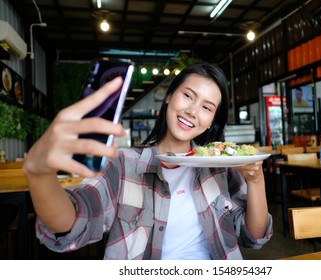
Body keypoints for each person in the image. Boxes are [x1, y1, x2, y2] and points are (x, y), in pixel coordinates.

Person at [23, 63, 272, 260]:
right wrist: (39, 174)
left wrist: (256, 180)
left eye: (207, 108)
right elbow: (74, 221)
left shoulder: (220, 166)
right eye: (188, 96)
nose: (193, 111)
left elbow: (254, 237)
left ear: (211, 121)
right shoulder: (124, 164)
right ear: (169, 96)